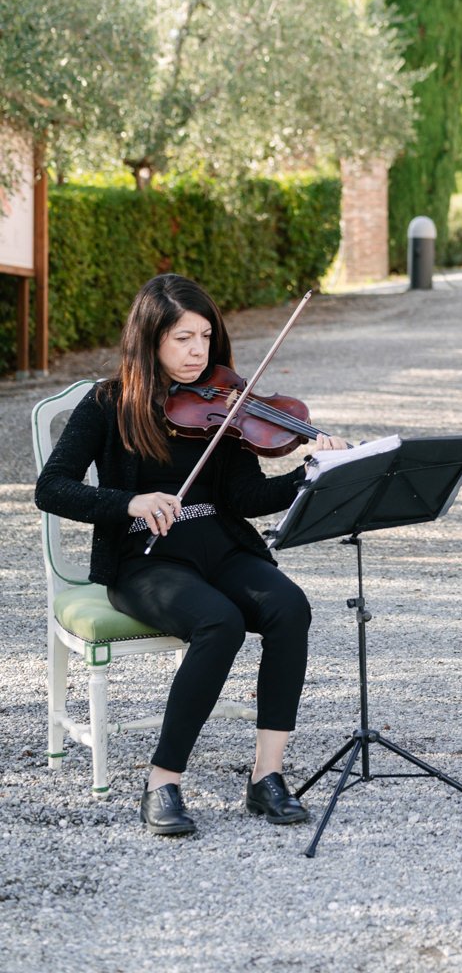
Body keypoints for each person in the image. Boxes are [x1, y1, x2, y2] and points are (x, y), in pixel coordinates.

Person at [35, 272, 344, 836]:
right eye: (182, 338)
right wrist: (130, 501)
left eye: (204, 336)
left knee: (289, 606)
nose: (197, 350)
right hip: (144, 561)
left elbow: (247, 499)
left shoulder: (226, 401)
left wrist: (311, 472)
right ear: (150, 338)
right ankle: (163, 780)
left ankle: (267, 775)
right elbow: (51, 487)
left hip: (221, 549)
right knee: (218, 621)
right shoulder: (109, 403)